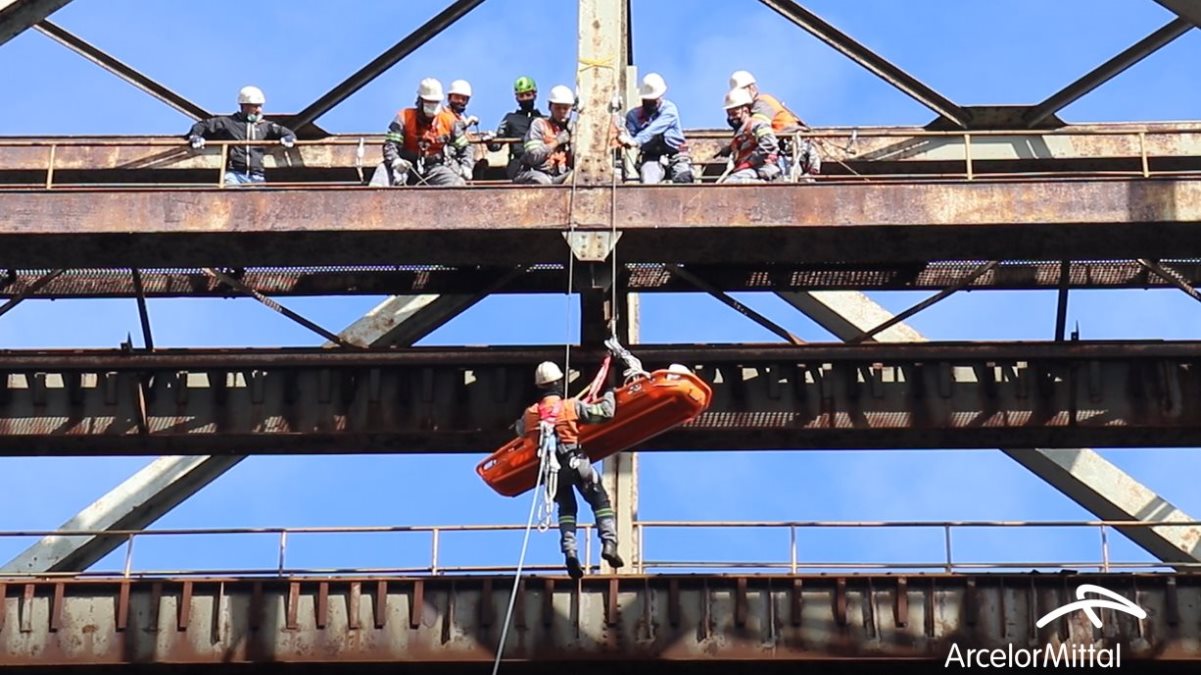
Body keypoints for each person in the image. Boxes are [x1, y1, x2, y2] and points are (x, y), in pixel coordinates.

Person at [514, 361, 624, 579]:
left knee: (566, 510)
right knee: (600, 501)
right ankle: (609, 543)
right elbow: (605, 412)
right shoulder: (571, 406)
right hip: (576, 463)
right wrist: (610, 392)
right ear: (558, 383)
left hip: (551, 473)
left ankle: (570, 553)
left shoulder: (530, 415)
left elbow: (520, 431)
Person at [185, 85, 296, 185]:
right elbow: (202, 125)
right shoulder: (229, 122)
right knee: (230, 199)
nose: (259, 110)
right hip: (234, 174)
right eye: (255, 106)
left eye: (260, 106)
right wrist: (195, 136)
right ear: (244, 106)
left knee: (258, 204)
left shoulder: (265, 126)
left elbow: (285, 132)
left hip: (257, 176)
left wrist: (289, 137)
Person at [372, 78, 471, 187]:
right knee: (382, 173)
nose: (432, 107)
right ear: (420, 101)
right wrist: (395, 161)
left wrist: (467, 166)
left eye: (435, 103)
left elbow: (465, 147)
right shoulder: (404, 117)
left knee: (457, 184)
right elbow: (391, 145)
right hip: (406, 165)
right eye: (429, 103)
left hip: (435, 168)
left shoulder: (448, 120)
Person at [728, 70, 819, 180]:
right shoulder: (754, 106)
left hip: (788, 149)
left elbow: (755, 129)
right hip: (782, 147)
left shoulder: (762, 103)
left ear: (752, 88)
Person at [618, 73, 693, 184]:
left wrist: (635, 141)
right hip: (651, 156)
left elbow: (654, 129)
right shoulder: (633, 116)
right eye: (649, 99)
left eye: (654, 99)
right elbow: (630, 136)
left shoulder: (669, 110)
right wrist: (623, 135)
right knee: (649, 179)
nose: (652, 102)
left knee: (683, 178)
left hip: (676, 154)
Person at [514, 85, 575, 185]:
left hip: (558, 176)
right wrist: (557, 141)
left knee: (577, 176)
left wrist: (573, 141)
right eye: (558, 108)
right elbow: (533, 157)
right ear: (549, 107)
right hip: (535, 173)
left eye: (565, 108)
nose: (562, 112)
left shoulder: (573, 129)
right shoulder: (539, 125)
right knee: (544, 182)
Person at [721, 87, 782, 184]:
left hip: (763, 168)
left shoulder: (757, 125)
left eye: (734, 113)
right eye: (729, 114)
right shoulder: (740, 132)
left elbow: (769, 143)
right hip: (749, 171)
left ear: (745, 110)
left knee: (730, 183)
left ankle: (764, 185)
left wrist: (750, 162)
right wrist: (728, 149)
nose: (731, 118)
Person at [489, 76, 545, 180]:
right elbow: (496, 146)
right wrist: (490, 140)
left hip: (541, 162)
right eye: (521, 96)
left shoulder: (544, 120)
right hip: (518, 164)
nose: (525, 99)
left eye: (528, 95)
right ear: (516, 98)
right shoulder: (510, 119)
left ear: (535, 95)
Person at [446, 79, 487, 181]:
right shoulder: (443, 115)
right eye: (457, 97)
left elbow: (465, 143)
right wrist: (464, 124)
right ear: (449, 98)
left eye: (463, 99)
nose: (460, 101)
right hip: (447, 158)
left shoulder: (460, 118)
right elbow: (450, 130)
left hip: (460, 159)